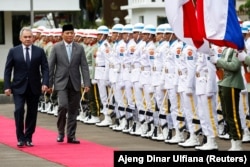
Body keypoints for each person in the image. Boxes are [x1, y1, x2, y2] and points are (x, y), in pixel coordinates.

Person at [4, 27, 49, 147]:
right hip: (18, 87)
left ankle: (28, 137)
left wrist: (45, 83)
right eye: (25, 37)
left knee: (32, 113)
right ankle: (20, 137)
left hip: (34, 87)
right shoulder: (13, 51)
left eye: (30, 37)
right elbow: (8, 70)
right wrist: (7, 86)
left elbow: (45, 68)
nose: (28, 39)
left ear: (33, 38)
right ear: (20, 38)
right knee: (19, 110)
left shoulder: (39, 51)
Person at [48, 24, 90, 144]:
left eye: (72, 33)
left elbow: (84, 66)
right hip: (61, 83)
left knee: (73, 110)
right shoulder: (56, 47)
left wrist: (86, 82)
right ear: (62, 34)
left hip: (75, 83)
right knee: (63, 106)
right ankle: (61, 132)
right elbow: (51, 67)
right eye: (67, 33)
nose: (70, 35)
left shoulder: (79, 48)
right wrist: (49, 84)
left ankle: (71, 135)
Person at [211, 47, 245, 150]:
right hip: (223, 82)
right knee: (226, 114)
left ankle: (237, 141)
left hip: (231, 83)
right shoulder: (226, 49)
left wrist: (218, 61)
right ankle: (232, 140)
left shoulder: (237, 49)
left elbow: (235, 66)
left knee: (232, 114)